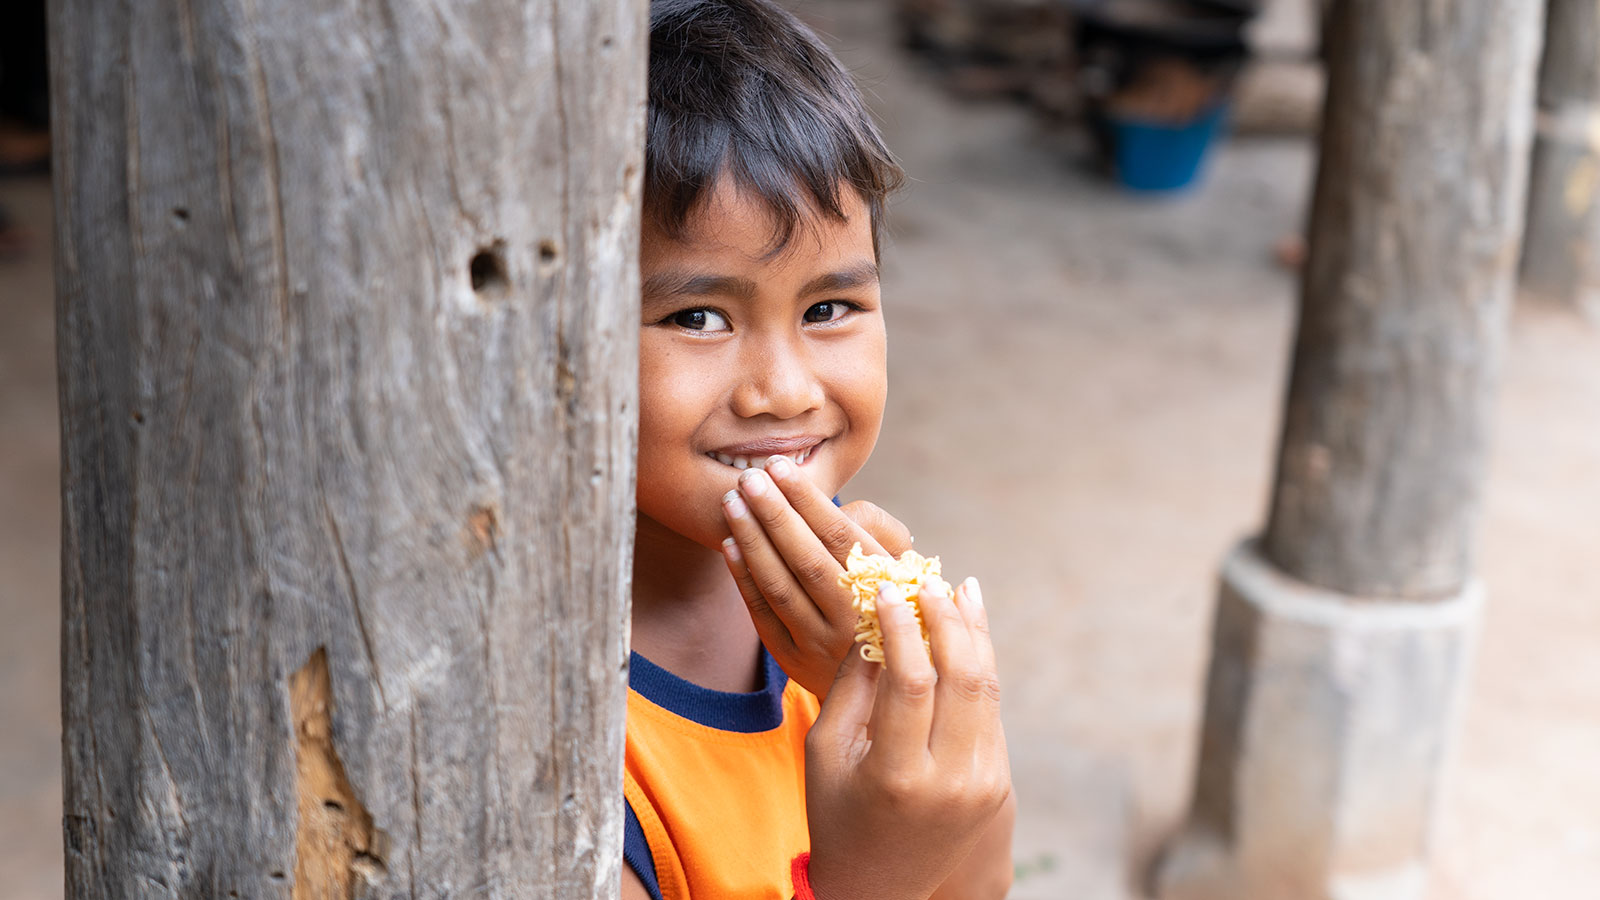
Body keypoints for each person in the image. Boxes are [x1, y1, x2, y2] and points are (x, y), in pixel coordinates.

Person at [624, 2, 1015, 898]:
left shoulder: (854, 607)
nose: (787, 391)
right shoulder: (574, 763)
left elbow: (982, 884)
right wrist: (872, 876)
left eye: (827, 309)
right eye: (698, 317)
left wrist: (929, 721)